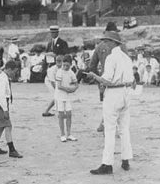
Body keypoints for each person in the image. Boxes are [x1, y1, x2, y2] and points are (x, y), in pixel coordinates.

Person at [86, 31, 134, 175]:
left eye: (107, 41)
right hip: (126, 92)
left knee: (110, 129)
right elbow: (132, 79)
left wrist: (93, 75)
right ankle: (125, 159)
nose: (105, 43)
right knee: (124, 128)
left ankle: (107, 164)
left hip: (114, 93)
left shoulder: (111, 58)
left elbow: (107, 80)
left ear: (113, 42)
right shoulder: (126, 58)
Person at [88, 22, 121, 132]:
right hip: (116, 80)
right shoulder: (119, 46)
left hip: (103, 78)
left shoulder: (99, 46)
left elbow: (92, 66)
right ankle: (107, 124)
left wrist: (98, 79)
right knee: (116, 103)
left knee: (107, 103)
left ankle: (104, 122)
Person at [0, 60, 23, 158]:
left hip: (0, 102)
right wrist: (5, 109)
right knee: (8, 126)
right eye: (14, 71)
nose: (14, 74)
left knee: (2, 126)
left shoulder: (3, 77)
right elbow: (1, 95)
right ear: (9, 69)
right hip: (0, 103)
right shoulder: (2, 78)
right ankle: (12, 150)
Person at [55, 55, 79, 142]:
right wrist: (68, 89)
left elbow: (76, 84)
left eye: (67, 65)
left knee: (69, 114)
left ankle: (69, 134)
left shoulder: (71, 73)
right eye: (64, 65)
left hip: (68, 97)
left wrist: (73, 89)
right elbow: (59, 86)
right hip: (60, 96)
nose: (65, 67)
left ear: (70, 65)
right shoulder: (59, 72)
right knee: (61, 115)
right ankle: (62, 134)